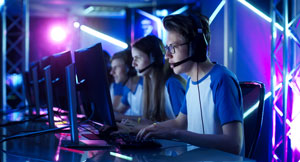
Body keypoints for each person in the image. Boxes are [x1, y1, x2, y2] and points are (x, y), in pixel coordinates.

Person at [136, 14, 244, 155]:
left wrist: (177, 134)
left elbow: (233, 143)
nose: (167, 55)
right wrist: (147, 129)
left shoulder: (221, 79)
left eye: (172, 47)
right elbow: (180, 122)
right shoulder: (191, 82)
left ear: (196, 47)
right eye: (167, 48)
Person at [115, 35, 186, 133]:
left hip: (177, 146)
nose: (133, 64)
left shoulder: (171, 84)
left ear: (154, 58)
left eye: (137, 58)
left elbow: (182, 124)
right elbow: (152, 121)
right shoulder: (149, 84)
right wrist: (128, 124)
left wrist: (139, 128)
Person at [110, 49, 143, 116]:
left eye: (116, 67)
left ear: (129, 68)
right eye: (112, 68)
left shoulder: (144, 85)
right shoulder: (127, 89)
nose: (111, 72)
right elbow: (118, 112)